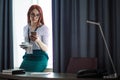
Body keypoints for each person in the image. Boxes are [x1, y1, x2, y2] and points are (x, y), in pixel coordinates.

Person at [19, 5, 49, 72]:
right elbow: (28, 49)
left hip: (40, 57)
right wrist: (25, 46)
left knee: (31, 75)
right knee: (20, 75)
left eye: (37, 15)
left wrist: (38, 40)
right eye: (32, 14)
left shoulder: (44, 28)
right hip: (28, 56)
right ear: (29, 14)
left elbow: (46, 49)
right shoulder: (25, 28)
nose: (35, 17)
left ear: (40, 16)